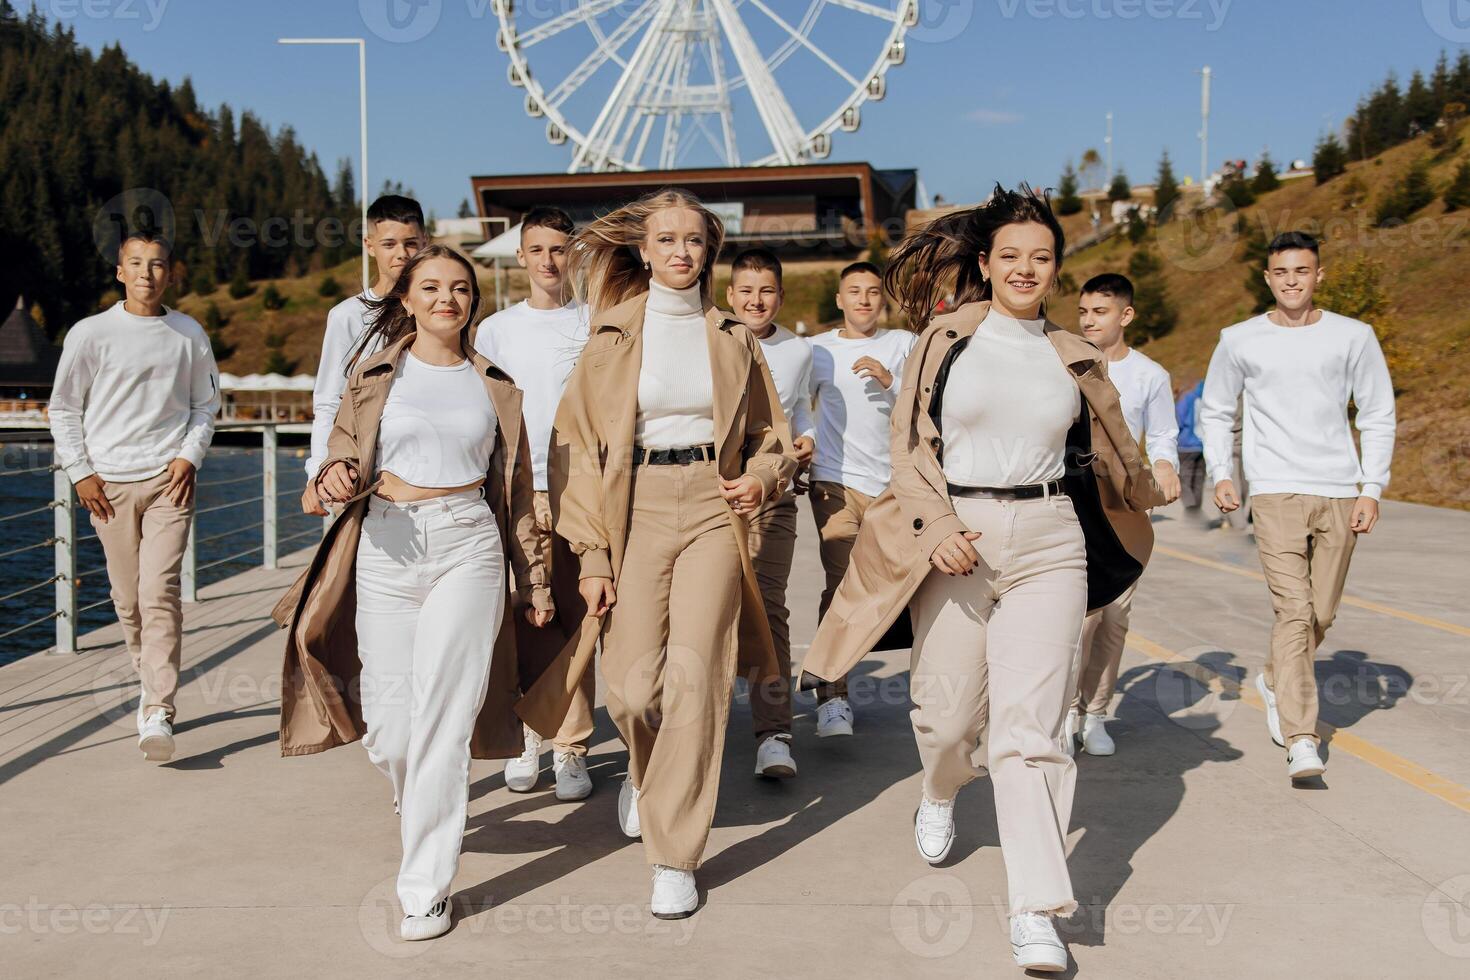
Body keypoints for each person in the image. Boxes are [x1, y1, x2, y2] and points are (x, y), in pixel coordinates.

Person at [800, 185, 1163, 973]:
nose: (1025, 269)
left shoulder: (1073, 352)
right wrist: (936, 530)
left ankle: (1035, 908)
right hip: (957, 537)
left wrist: (1143, 486)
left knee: (1032, 729)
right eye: (1011, 257)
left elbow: (1109, 447)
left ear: (1057, 270)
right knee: (946, 716)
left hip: (1050, 541)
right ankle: (939, 790)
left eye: (1041, 258)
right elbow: (909, 449)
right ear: (987, 264)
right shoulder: (945, 338)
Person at [515, 188, 795, 919]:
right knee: (634, 690)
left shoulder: (734, 336)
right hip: (630, 504)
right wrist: (594, 556)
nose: (680, 252)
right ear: (643, 251)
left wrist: (761, 479)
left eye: (694, 241)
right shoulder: (609, 338)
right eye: (666, 239)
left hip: (712, 504)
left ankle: (675, 854)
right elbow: (569, 447)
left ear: (710, 252)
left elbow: (771, 437)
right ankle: (647, 777)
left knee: (697, 674)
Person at [273, 245, 553, 942]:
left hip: (469, 545)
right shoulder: (370, 378)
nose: (446, 299)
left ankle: (425, 887)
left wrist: (536, 577)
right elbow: (332, 465)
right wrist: (330, 478)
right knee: (393, 728)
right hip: (385, 547)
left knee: (443, 720)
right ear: (407, 298)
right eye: (431, 287)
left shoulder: (496, 385)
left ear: (471, 301)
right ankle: (416, 791)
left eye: (459, 288)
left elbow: (515, 494)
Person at [1199, 231, 1395, 782]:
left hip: (1339, 487)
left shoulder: (1354, 336)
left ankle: (1272, 677)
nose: (1291, 281)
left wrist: (1371, 488)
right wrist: (1222, 473)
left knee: (1321, 614)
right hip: (1275, 489)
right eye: (1281, 272)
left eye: (1302, 271)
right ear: (1268, 278)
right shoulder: (1239, 339)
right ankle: (1302, 736)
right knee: (1293, 611)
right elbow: (1216, 410)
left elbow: (1377, 413)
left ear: (1318, 275)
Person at [49, 231, 220, 763]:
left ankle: (157, 708)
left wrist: (188, 456)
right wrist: (80, 472)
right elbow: (64, 408)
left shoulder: (188, 333)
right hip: (109, 487)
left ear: (172, 273)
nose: (148, 273)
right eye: (137, 264)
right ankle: (149, 684)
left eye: (159, 264)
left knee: (159, 592)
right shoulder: (90, 333)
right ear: (120, 271)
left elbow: (205, 405)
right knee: (127, 601)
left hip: (170, 480)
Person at [474, 206, 594, 802]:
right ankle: (526, 734)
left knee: (578, 617)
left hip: (582, 488)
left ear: (575, 254)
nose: (550, 261)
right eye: (538, 249)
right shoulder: (495, 331)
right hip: (518, 489)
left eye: (560, 249)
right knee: (525, 616)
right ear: (521, 256)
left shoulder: (597, 323)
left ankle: (572, 747)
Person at [1069, 273, 1181, 756]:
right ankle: (1063, 713)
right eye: (1084, 311)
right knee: (1076, 621)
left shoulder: (1150, 375)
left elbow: (1162, 436)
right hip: (1070, 506)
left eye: (1100, 311)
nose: (1089, 320)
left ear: (1126, 315)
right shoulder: (1066, 365)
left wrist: (1164, 467)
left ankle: (1095, 714)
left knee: (1114, 617)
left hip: (1123, 509)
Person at [806, 261, 917, 737]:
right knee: (841, 581)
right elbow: (796, 409)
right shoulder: (818, 351)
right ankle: (832, 695)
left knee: (903, 588)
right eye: (855, 292)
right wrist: (804, 444)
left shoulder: (902, 345)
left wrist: (890, 382)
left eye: (873, 292)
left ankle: (934, 690)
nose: (865, 300)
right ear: (839, 300)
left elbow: (922, 409)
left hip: (895, 488)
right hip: (835, 482)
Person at [725, 247, 815, 778]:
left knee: (768, 605)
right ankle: (696, 729)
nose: (756, 301)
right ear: (730, 295)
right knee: (711, 610)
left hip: (775, 493)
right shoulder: (710, 339)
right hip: (714, 494)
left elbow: (799, 408)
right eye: (746, 291)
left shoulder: (797, 351)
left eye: (766, 291)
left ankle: (774, 733)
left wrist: (804, 438)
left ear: (780, 296)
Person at [301, 194, 426, 515]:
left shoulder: (440, 311)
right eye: (389, 244)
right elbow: (329, 400)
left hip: (426, 471)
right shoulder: (347, 316)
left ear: (425, 242)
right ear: (369, 245)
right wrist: (318, 471)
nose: (401, 254)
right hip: (358, 472)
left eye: (411, 243)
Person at [1174, 379, 1207, 515]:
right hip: (1201, 445)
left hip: (1185, 445)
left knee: (1184, 479)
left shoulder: (1187, 398)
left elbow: (1178, 420)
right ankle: (1196, 508)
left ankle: (1190, 508)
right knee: (1198, 480)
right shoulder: (1206, 400)